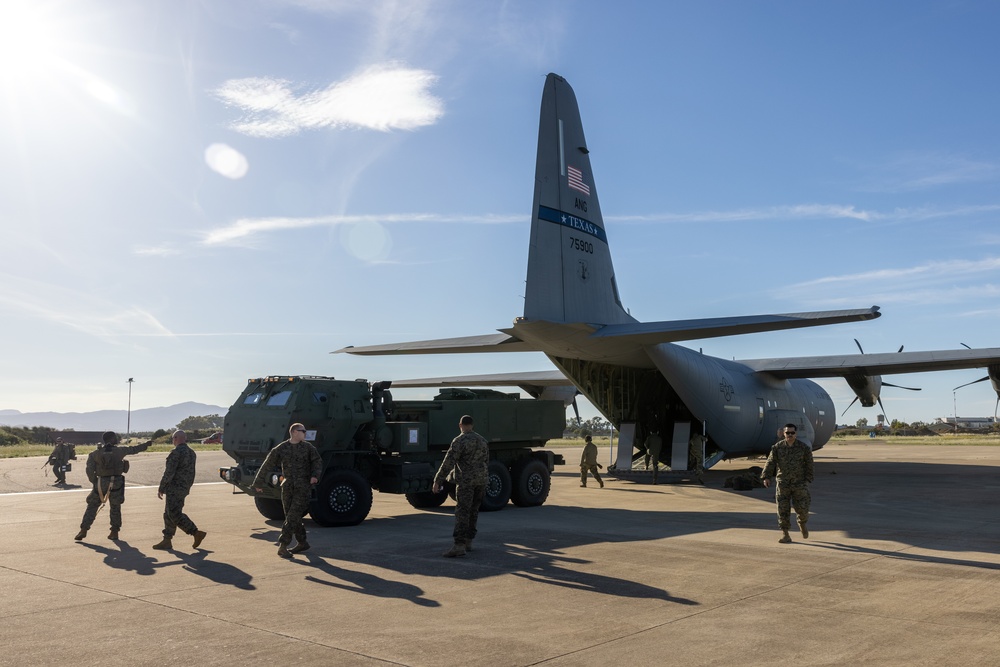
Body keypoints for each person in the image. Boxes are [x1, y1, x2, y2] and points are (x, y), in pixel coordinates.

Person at [252, 423, 322, 558]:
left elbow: (317, 462)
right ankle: (302, 542)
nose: (305, 433)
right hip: (287, 486)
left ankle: (283, 546)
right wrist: (258, 483)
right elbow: (268, 464)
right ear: (295, 432)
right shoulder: (282, 448)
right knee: (292, 516)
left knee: (292, 516)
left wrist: (315, 476)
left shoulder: (308, 448)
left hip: (303, 487)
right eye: (303, 431)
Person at [75, 431, 151, 541]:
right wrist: (146, 444)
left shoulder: (95, 453)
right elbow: (134, 449)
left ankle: (83, 530)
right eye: (115, 438)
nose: (117, 439)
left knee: (92, 506)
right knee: (115, 507)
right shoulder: (120, 451)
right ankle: (114, 532)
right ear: (111, 439)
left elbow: (89, 470)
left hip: (101, 482)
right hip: (116, 482)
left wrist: (95, 482)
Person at [432, 415, 489, 557]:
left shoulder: (459, 441)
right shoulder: (482, 441)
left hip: (466, 482)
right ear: (472, 425)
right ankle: (469, 541)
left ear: (460, 425)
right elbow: (486, 461)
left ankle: (459, 545)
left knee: (462, 512)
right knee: (474, 511)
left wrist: (438, 480)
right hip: (481, 481)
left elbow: (448, 462)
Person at [152, 430, 206, 551]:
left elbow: (169, 472)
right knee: (168, 513)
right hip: (184, 487)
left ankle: (195, 532)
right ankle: (167, 540)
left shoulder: (176, 453)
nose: (173, 441)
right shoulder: (192, 453)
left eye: (173, 439)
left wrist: (161, 487)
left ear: (176, 438)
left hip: (175, 487)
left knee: (174, 513)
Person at [761, 423, 814, 543]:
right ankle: (785, 534)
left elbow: (809, 464)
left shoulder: (803, 448)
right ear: (783, 434)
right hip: (783, 483)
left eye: (792, 432)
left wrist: (808, 478)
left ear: (796, 433)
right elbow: (770, 462)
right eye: (787, 433)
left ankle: (802, 523)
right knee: (782, 509)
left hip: (799, 483)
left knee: (802, 508)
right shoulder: (777, 448)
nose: (790, 435)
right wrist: (766, 477)